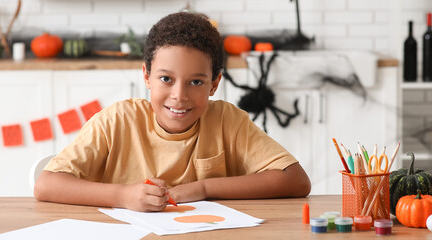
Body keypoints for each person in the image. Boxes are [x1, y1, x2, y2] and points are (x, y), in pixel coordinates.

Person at [34, 12, 311, 212]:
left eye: (196, 82)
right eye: (166, 79)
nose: (179, 96)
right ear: (147, 76)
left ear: (214, 84)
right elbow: (46, 185)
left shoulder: (228, 121)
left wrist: (205, 188)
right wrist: (123, 195)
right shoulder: (115, 121)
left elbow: (296, 180)